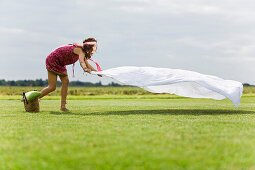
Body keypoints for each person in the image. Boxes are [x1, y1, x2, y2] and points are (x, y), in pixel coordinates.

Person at [39, 37, 101, 111]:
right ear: (89, 47)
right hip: (53, 60)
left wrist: (98, 73)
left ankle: (63, 106)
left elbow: (88, 65)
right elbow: (82, 62)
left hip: (60, 63)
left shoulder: (82, 52)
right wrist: (85, 69)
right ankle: (35, 98)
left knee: (64, 82)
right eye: (94, 47)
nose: (95, 49)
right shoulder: (80, 50)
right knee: (52, 87)